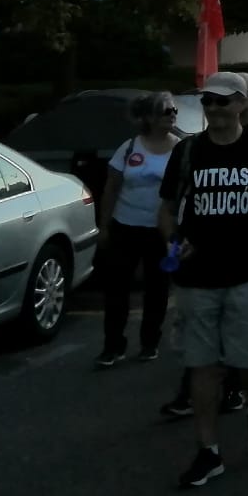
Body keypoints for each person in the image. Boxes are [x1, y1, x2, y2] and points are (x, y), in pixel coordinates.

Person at [158, 71, 248, 488]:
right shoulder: (188, 152)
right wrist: (173, 243)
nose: (213, 108)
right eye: (208, 101)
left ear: (239, 104)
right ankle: (208, 451)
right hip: (197, 277)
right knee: (203, 364)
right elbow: (166, 208)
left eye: (221, 101)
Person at [95, 91, 179, 368]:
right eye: (167, 111)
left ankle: (149, 343)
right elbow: (111, 187)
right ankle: (112, 346)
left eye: (174, 110)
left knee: (157, 290)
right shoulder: (130, 147)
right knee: (117, 289)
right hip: (125, 227)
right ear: (150, 118)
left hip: (159, 231)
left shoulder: (180, 149)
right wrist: (104, 226)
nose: (173, 115)